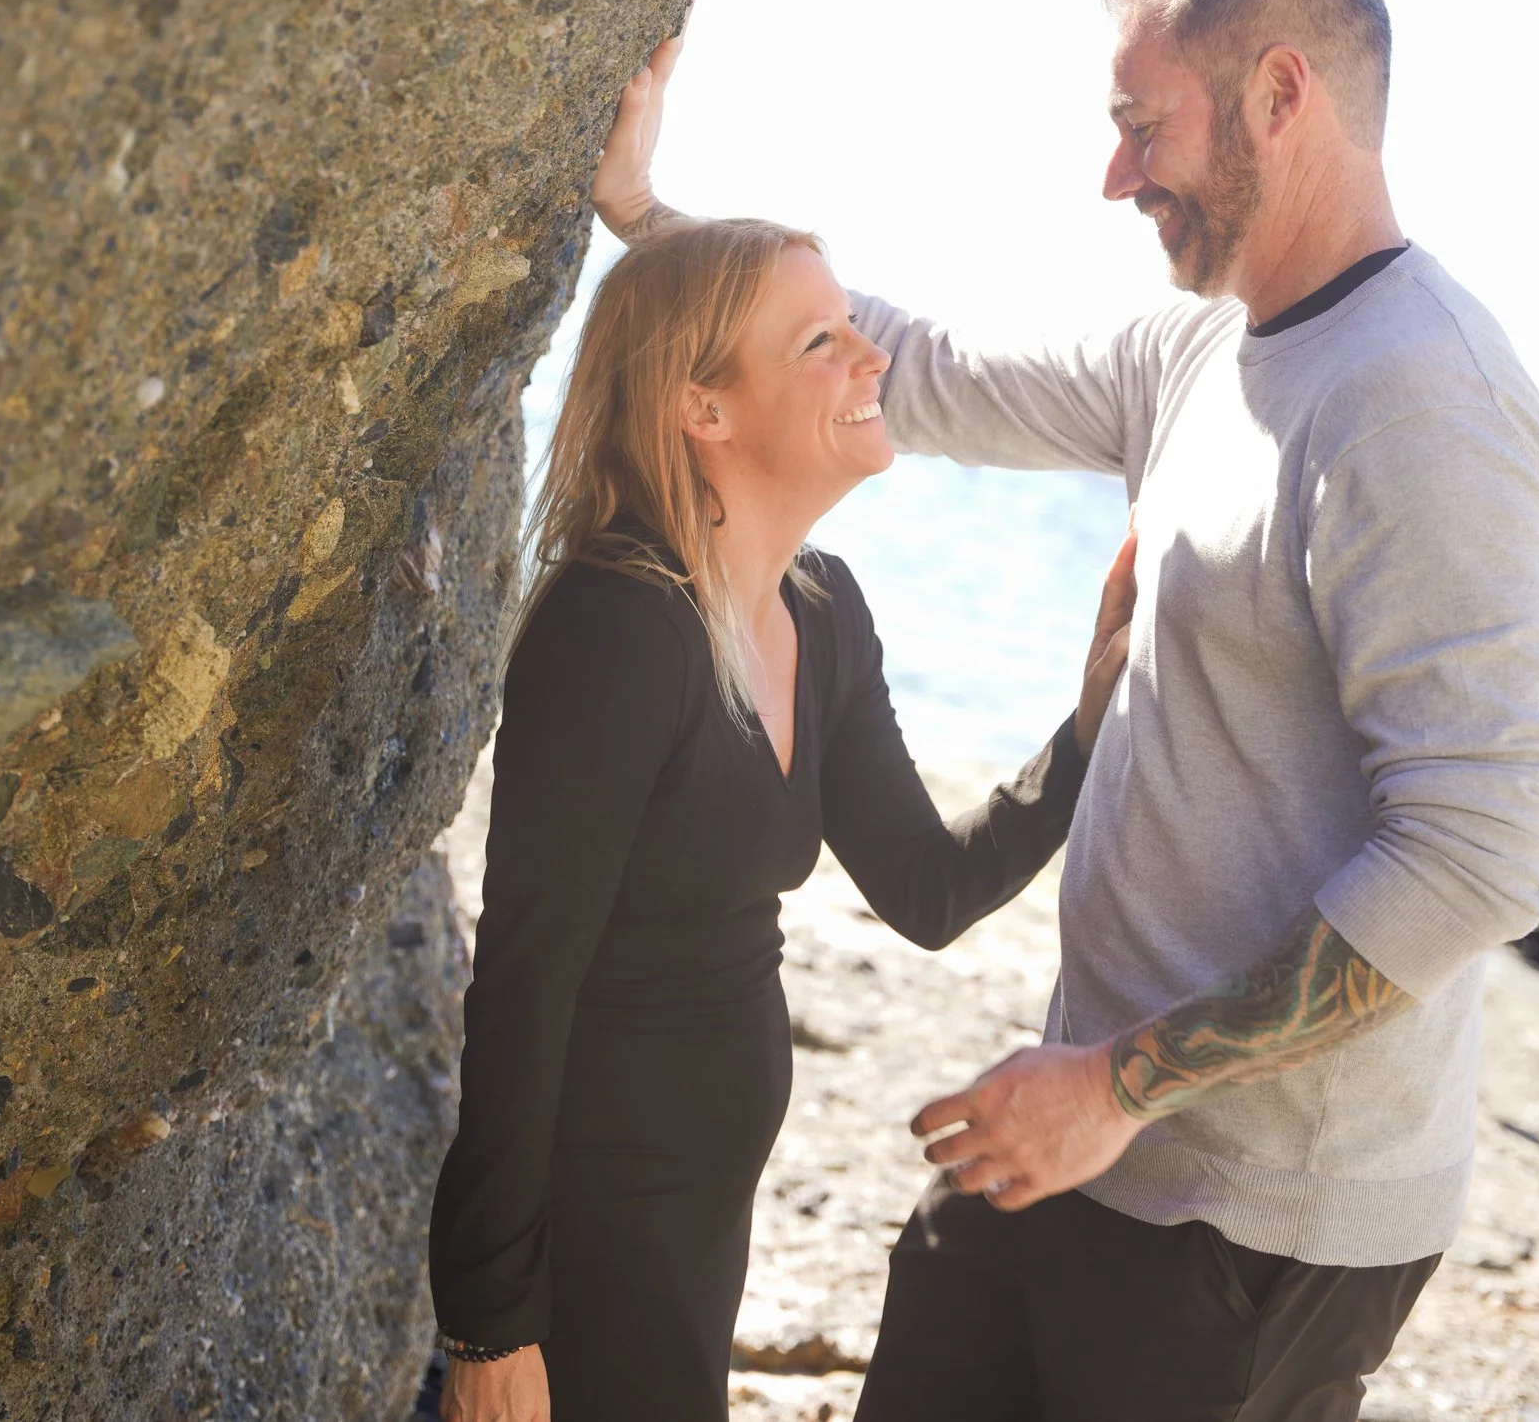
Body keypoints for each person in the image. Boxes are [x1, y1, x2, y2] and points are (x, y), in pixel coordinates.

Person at [592, 0, 1539, 1420]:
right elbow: (908, 366)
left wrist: (1119, 1085)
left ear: (1281, 95)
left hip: (1254, 1219)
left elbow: (1482, 846)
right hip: (1082, 1130)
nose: (1115, 177)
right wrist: (644, 213)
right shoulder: (1200, 345)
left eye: (1140, 126)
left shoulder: (1421, 400)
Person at [427, 216, 1138, 1422]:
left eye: (856, 327)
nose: (872, 357)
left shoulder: (824, 609)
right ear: (704, 406)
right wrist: (489, 1319)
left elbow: (924, 886)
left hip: (705, 1205)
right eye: (821, 338)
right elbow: (521, 983)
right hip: (596, 1213)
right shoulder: (611, 628)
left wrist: (1083, 735)